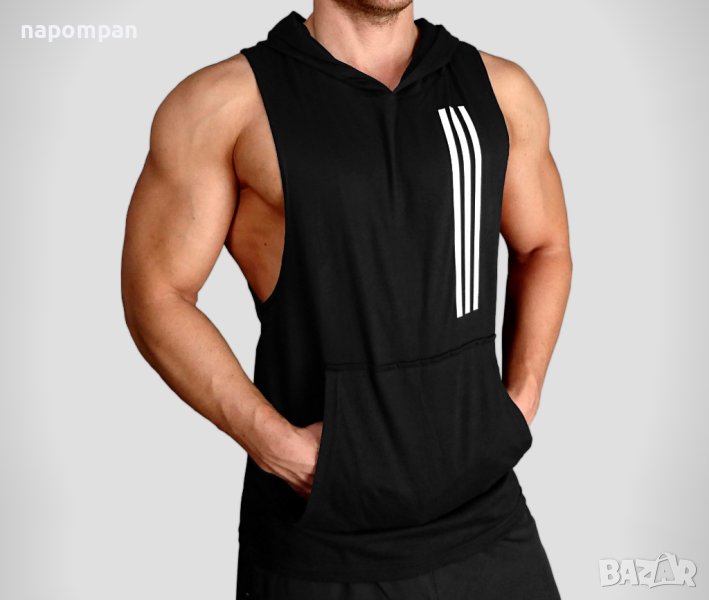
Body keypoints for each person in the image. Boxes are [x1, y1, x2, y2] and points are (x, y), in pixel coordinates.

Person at [121, 1, 572, 598]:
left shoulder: (499, 88)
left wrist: (521, 400)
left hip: (487, 521)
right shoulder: (224, 104)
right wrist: (275, 445)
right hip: (322, 542)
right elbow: (157, 293)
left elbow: (544, 247)